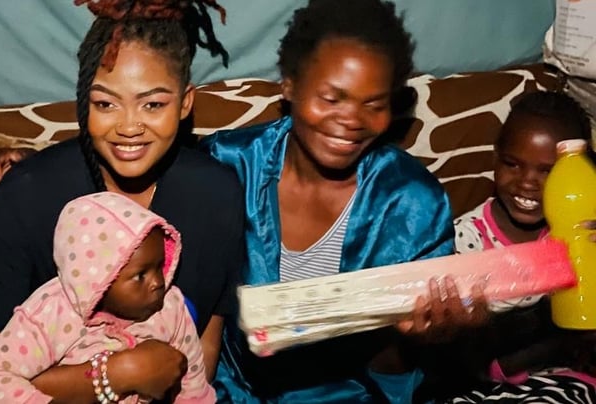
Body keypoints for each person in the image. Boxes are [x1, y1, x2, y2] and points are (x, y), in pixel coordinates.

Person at [199, 0, 493, 402]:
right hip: (228, 391)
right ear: (289, 85)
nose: (352, 120)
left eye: (374, 104)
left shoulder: (412, 204)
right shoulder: (227, 166)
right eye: (331, 98)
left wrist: (427, 339)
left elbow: (395, 370)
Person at [0, 1, 245, 403]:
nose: (128, 126)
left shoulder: (216, 196)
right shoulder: (24, 196)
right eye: (105, 104)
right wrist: (119, 373)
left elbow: (202, 349)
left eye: (153, 104)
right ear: (83, 102)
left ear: (185, 103)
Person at [0, 192, 214, 404]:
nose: (157, 282)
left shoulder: (170, 306)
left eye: (160, 265)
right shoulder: (51, 314)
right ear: (99, 277)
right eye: (140, 275)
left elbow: (192, 377)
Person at [443, 91, 596, 403]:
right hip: (475, 385)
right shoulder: (462, 240)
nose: (527, 182)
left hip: (565, 382)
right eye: (512, 164)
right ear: (495, 158)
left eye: (548, 171)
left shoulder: (584, 235)